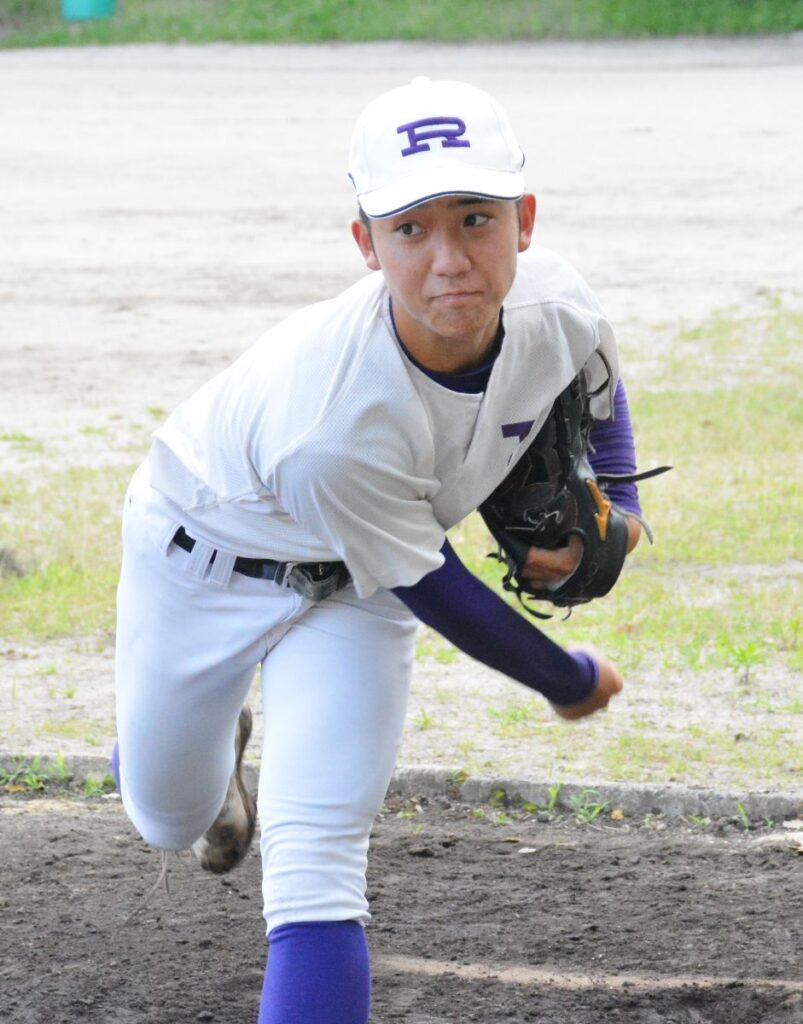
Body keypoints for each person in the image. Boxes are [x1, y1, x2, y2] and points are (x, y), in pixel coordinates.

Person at [113, 76, 646, 1023]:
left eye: (476, 218)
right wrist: (562, 677)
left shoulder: (556, 299)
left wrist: (627, 498)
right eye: (410, 229)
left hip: (359, 590)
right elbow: (438, 586)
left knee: (316, 858)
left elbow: (597, 383)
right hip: (200, 564)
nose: (450, 259)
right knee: (169, 819)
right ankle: (204, 747)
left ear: (523, 220)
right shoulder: (332, 418)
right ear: (366, 244)